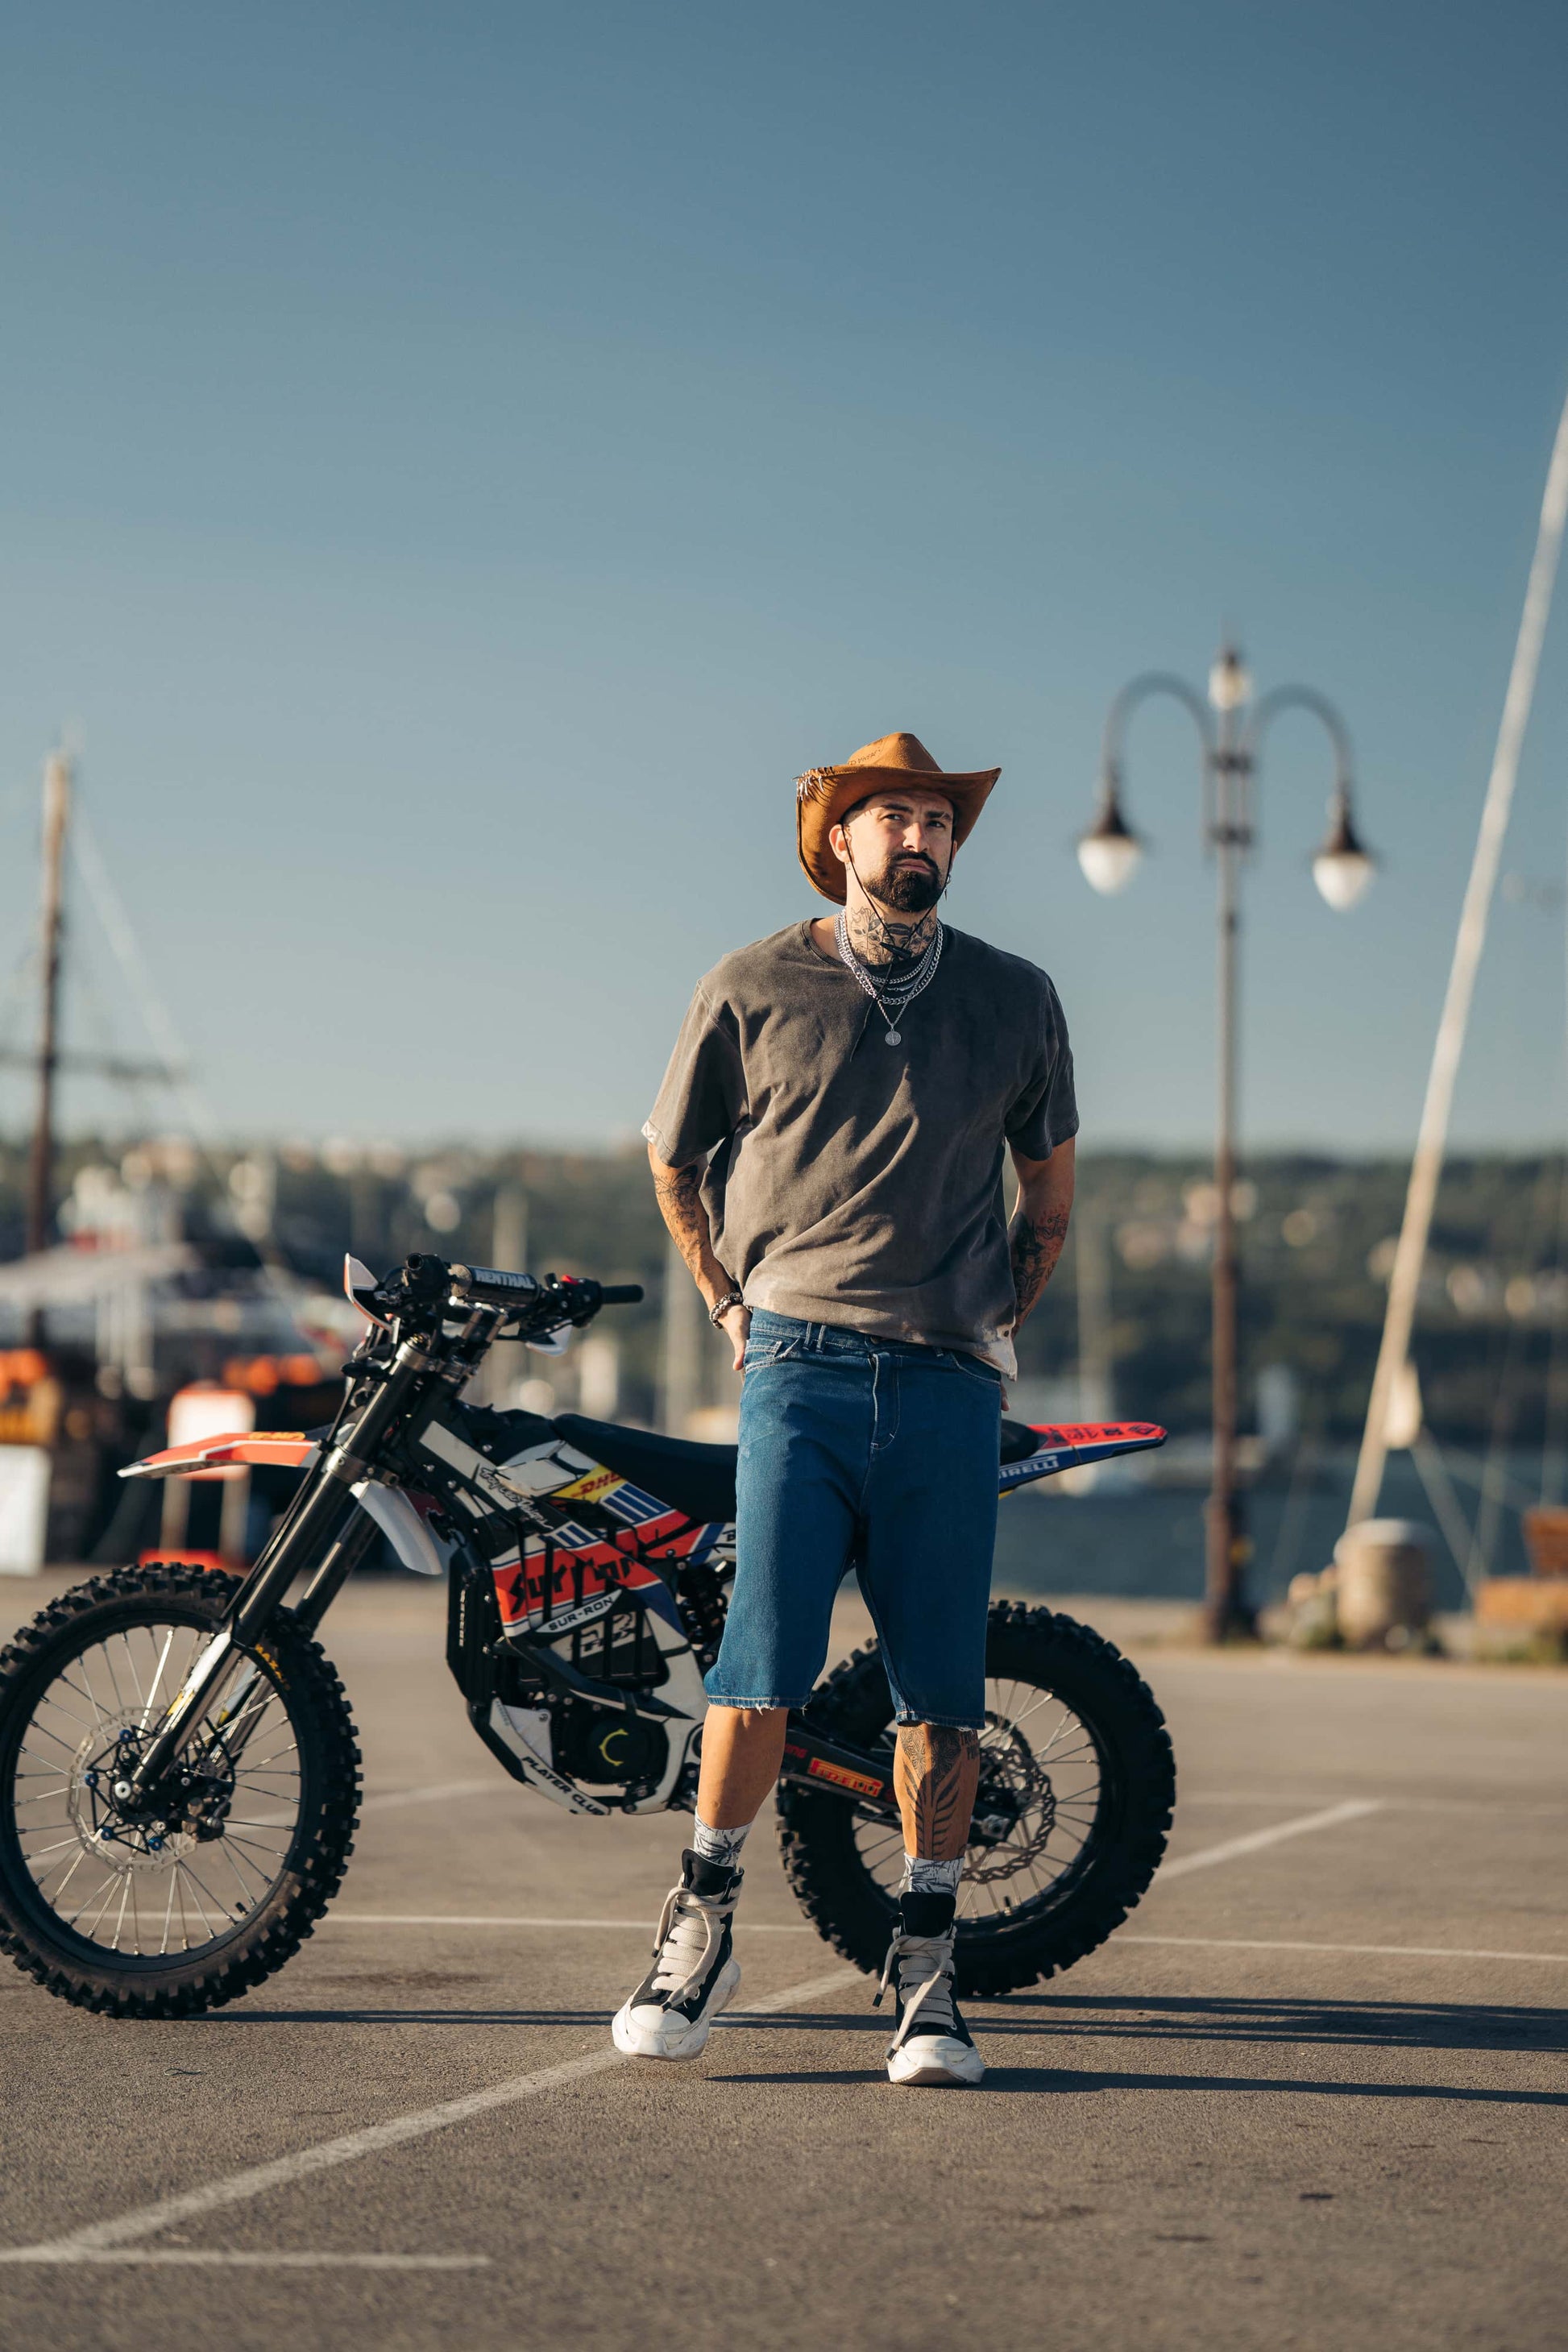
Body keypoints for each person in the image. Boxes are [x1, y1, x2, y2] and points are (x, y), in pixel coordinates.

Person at [612, 731, 1077, 2087]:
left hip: (943, 1380)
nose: (920, 838)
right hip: (798, 1369)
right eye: (895, 818)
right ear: (841, 840)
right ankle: (698, 1929)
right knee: (756, 1669)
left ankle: (925, 1974)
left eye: (939, 819)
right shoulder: (753, 984)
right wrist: (726, 1303)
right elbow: (671, 1161)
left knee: (941, 1695)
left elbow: (1046, 1191)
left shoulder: (1014, 997)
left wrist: (998, 1321)